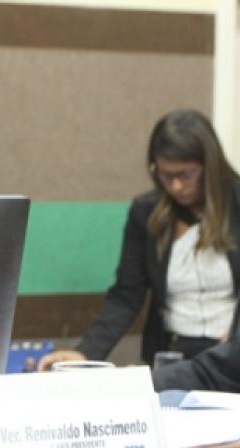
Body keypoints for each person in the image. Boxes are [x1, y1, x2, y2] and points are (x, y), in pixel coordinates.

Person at [39, 109, 240, 371]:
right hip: (171, 355)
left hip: (230, 355)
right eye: (166, 175)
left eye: (186, 174)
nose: (176, 186)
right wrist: (85, 352)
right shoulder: (145, 212)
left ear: (209, 167)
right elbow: (126, 296)